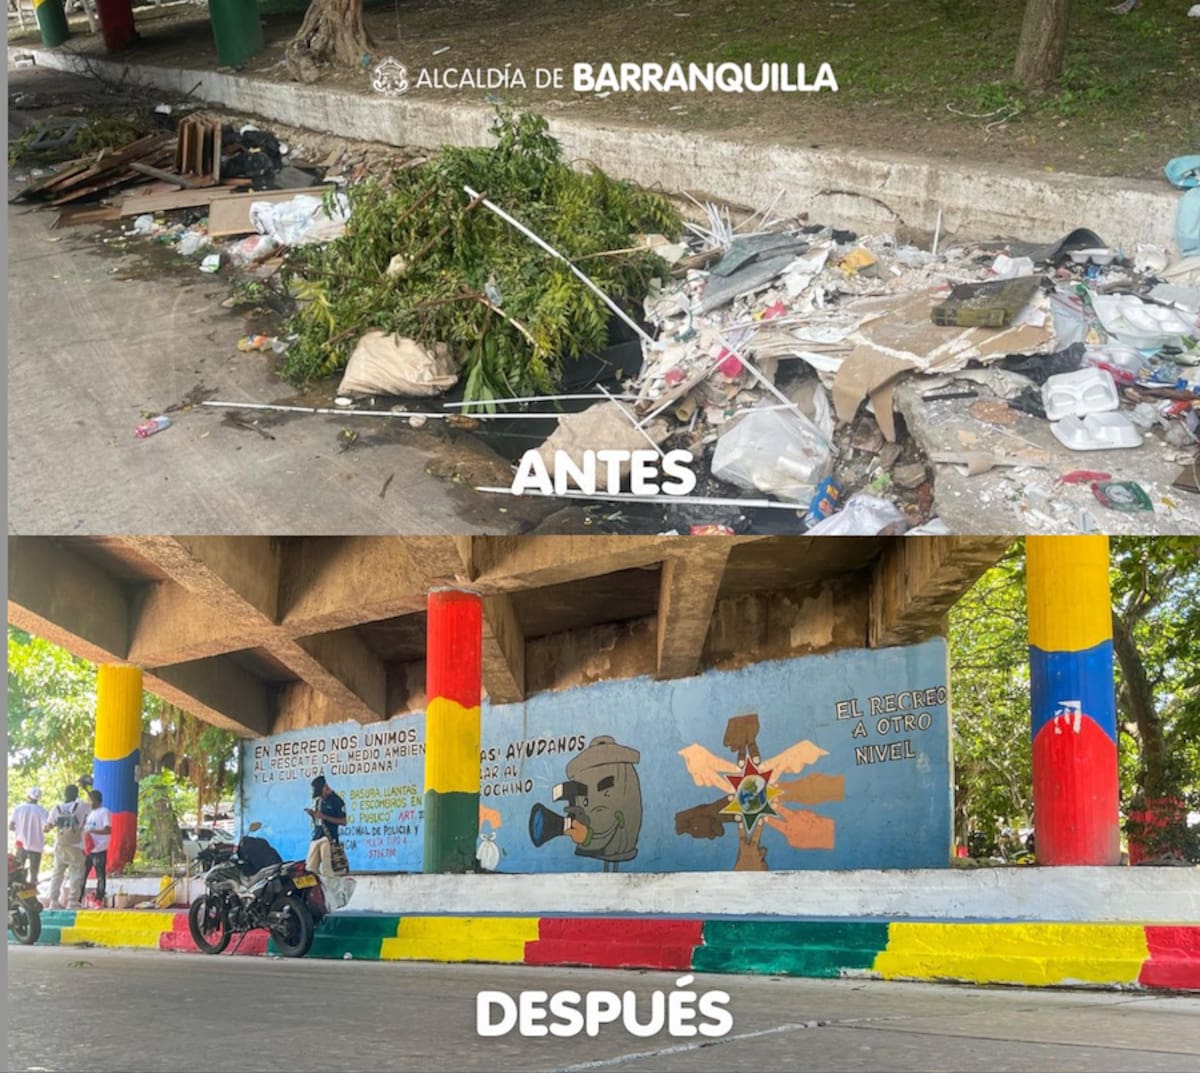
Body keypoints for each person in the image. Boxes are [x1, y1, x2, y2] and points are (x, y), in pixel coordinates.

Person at [43, 784, 89, 909]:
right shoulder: (82, 806)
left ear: (65, 794)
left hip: (60, 845)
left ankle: (54, 901)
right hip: (76, 845)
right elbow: (93, 807)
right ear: (76, 794)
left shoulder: (56, 808)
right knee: (76, 873)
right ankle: (72, 901)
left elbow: (48, 827)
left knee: (57, 873)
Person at [304, 775, 347, 877]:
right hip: (316, 837)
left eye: (320, 793)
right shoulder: (318, 801)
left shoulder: (336, 801)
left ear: (325, 788)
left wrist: (324, 816)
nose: (320, 796)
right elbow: (317, 821)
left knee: (327, 871)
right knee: (310, 869)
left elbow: (343, 821)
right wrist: (313, 816)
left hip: (328, 838)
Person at [10, 787, 49, 886]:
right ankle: (32, 892)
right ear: (39, 798)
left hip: (21, 843)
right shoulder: (42, 811)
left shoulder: (18, 808)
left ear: (28, 796)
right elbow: (47, 828)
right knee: (34, 872)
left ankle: (19, 890)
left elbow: (11, 826)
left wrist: (20, 829)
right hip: (36, 845)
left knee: (18, 869)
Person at [82, 789, 112, 908]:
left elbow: (108, 830)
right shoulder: (90, 814)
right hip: (89, 849)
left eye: (89, 799)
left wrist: (92, 831)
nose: (88, 802)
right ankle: (79, 899)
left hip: (99, 848)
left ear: (94, 800)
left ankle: (99, 899)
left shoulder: (104, 812)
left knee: (100, 875)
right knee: (82, 875)